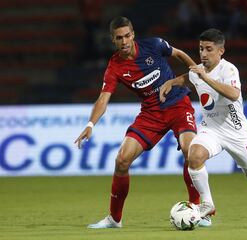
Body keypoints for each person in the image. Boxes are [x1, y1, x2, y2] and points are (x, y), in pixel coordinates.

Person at [160, 28, 247, 228]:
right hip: (211, 130)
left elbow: (233, 94)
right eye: (201, 49)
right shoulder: (197, 71)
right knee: (194, 156)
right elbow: (188, 78)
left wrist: (205, 77)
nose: (204, 54)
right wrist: (172, 82)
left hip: (237, 133)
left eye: (209, 49)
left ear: (221, 51)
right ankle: (207, 204)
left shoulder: (229, 70)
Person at [74, 16, 203, 229]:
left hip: (178, 104)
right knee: (122, 160)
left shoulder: (153, 45)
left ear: (133, 34)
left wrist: (198, 74)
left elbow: (179, 54)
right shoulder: (114, 66)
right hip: (150, 114)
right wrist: (90, 125)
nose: (124, 41)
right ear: (113, 40)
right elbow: (103, 98)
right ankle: (115, 219)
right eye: (119, 38)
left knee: (191, 152)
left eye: (127, 36)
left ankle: (197, 209)